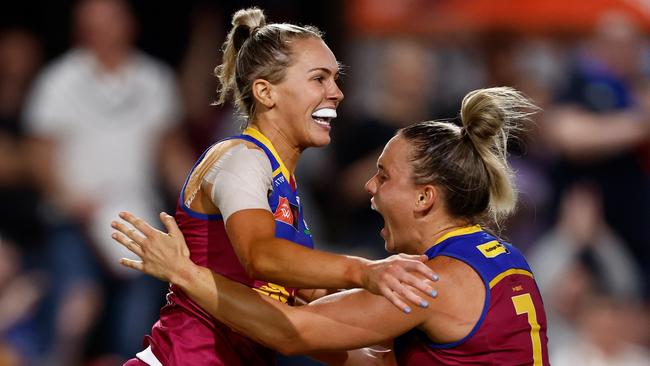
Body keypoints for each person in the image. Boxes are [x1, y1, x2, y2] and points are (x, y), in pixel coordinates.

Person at [113, 87, 550, 365]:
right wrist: (301, 295)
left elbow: (290, 333)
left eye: (384, 175)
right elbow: (371, 359)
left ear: (424, 198)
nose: (370, 186)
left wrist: (183, 272)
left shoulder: (432, 282)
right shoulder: (501, 260)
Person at [111, 7, 437, 366]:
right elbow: (260, 257)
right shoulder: (241, 159)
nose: (337, 93)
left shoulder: (282, 181)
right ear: (266, 92)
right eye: (319, 78)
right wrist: (365, 271)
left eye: (336, 78)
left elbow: (289, 321)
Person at [23, 0, 188, 361]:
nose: (98, 31)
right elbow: (39, 156)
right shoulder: (58, 81)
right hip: (72, 218)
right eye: (89, 24)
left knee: (138, 314)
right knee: (75, 309)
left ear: (128, 23)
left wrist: (196, 206)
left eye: (107, 21)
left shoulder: (154, 80)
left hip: (136, 217)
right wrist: (71, 200)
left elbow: (171, 153)